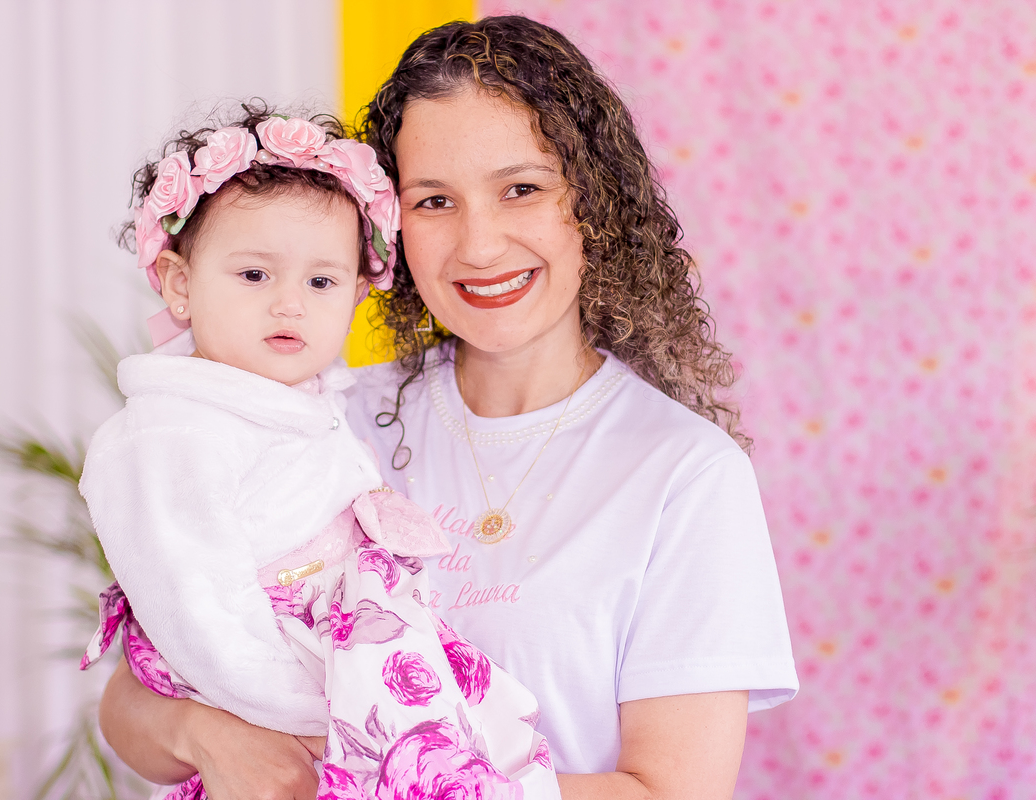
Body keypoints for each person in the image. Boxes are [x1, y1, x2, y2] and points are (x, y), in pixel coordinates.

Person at [99, 16, 798, 800]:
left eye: (521, 189)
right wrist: (213, 739)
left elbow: (674, 791)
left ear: (592, 206)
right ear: (392, 233)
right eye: (434, 201)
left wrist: (428, 785)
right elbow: (132, 706)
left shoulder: (685, 473)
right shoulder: (320, 423)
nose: (481, 245)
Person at [78, 105, 561, 800]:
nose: (290, 306)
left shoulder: (307, 402)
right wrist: (317, 719)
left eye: (321, 282)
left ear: (358, 295)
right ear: (181, 284)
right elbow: (197, 613)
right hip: (288, 699)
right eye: (253, 276)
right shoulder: (166, 434)